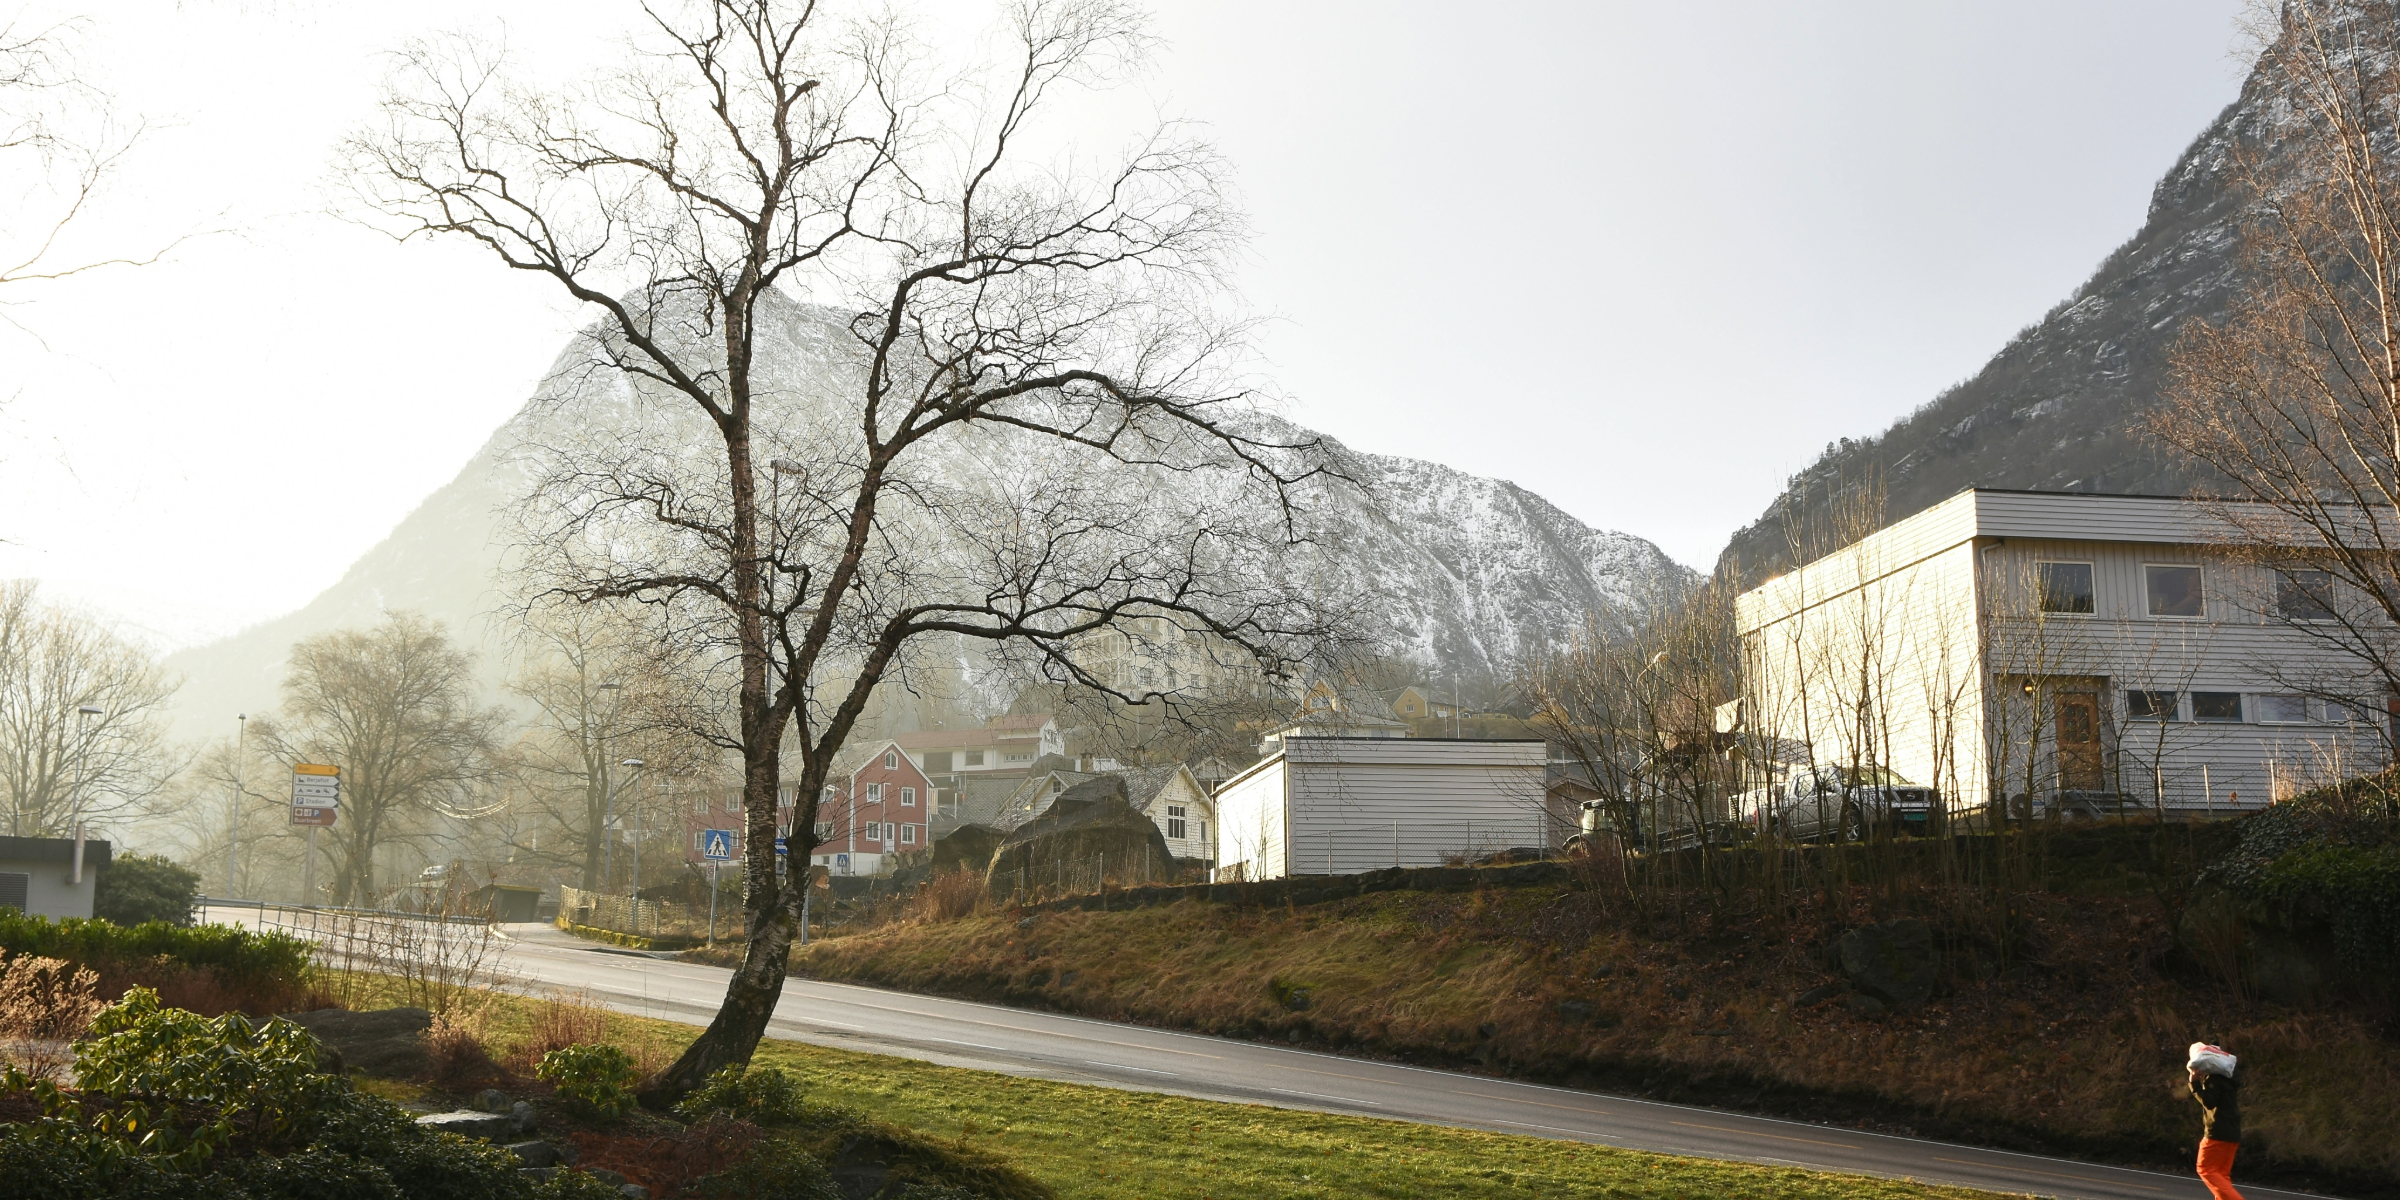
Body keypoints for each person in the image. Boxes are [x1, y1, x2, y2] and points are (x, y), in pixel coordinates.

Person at [2188, 1043, 2244, 1200]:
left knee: (2205, 1169)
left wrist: (2195, 1083)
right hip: (2232, 1132)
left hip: (2217, 1132)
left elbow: (2210, 1102)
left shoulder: (2214, 1079)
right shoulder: (2229, 1078)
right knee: (2221, 1175)